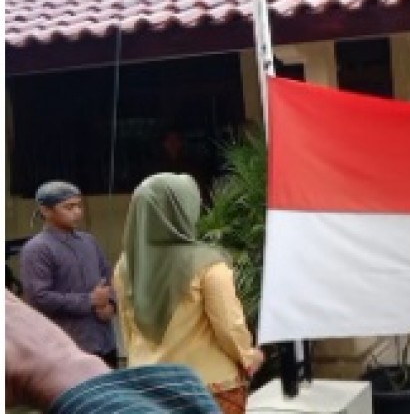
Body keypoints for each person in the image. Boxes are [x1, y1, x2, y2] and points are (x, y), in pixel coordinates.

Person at [114, 173, 264, 414]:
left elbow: (127, 328)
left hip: (148, 386)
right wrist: (248, 356)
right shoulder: (208, 265)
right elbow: (228, 325)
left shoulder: (126, 267)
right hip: (207, 387)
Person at [6, 289, 219, 413]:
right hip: (201, 373)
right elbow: (39, 296)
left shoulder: (100, 248)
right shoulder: (208, 265)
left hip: (109, 355)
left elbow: (115, 294)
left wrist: (109, 305)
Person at [19, 181, 118, 368]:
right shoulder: (37, 249)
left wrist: (111, 305)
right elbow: (39, 298)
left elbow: (109, 278)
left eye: (79, 206)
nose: (77, 212)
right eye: (69, 207)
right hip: (68, 345)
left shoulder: (89, 241)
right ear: (46, 211)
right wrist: (89, 301)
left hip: (104, 340)